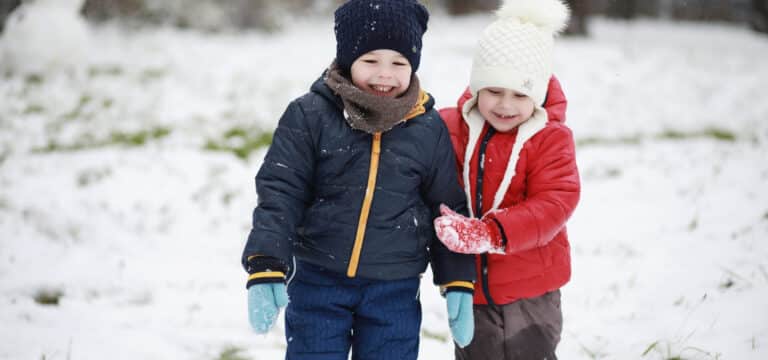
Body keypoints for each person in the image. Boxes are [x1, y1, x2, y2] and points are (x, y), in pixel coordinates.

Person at [241, 1, 476, 359]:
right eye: (370, 61)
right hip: (319, 278)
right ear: (347, 59)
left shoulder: (427, 128)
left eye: (398, 62)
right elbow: (281, 190)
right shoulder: (309, 115)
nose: (385, 74)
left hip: (394, 288)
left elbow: (446, 206)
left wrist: (457, 278)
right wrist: (266, 263)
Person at [433, 0, 580, 359]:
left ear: (539, 94)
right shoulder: (451, 128)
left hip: (532, 291)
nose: (505, 105)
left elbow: (555, 202)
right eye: (494, 91)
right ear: (476, 87)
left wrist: (491, 233)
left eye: (520, 95)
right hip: (470, 288)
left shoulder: (550, 138)